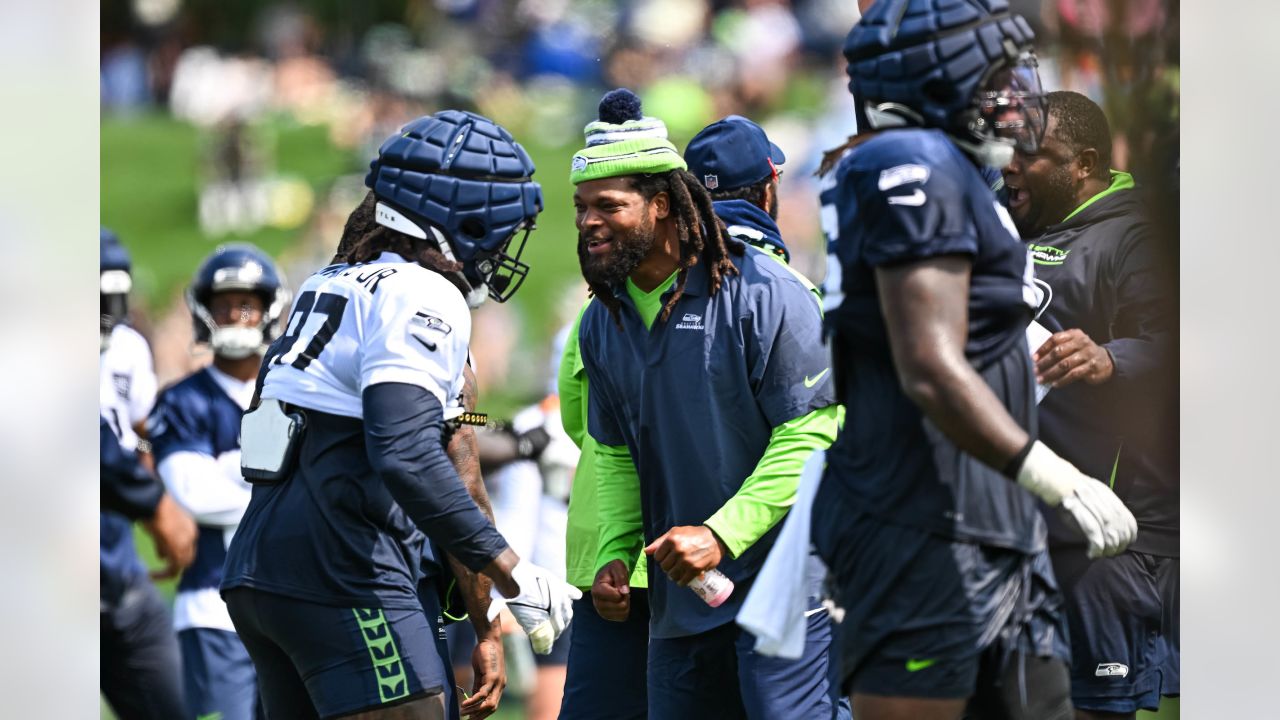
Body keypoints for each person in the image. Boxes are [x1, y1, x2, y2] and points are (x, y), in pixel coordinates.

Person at [813, 2, 1139, 718]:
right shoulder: (913, 162)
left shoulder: (953, 169)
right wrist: (1051, 473)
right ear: (943, 80)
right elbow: (928, 364)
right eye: (997, 74)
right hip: (922, 524)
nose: (1018, 93)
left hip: (991, 525)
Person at [220, 110, 580, 720]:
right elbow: (405, 451)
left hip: (263, 570)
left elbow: (457, 463)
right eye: (496, 223)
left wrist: (486, 619)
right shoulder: (422, 292)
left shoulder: (330, 281)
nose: (500, 244)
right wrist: (514, 571)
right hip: (346, 571)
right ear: (462, 214)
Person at [573, 88, 843, 719]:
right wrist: (615, 550)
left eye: (609, 205)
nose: (588, 222)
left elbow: (814, 432)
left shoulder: (768, 292)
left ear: (662, 207)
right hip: (685, 600)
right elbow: (613, 453)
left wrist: (721, 534)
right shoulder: (601, 320)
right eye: (582, 207)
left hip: (791, 588)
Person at [1002, 90, 1178, 719]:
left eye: (1032, 154)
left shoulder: (1136, 238)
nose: (1010, 166)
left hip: (1104, 535)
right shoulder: (1004, 228)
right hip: (1013, 526)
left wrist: (1112, 357)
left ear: (1084, 163)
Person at [146, 243, 290, 720]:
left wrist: (231, 471)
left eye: (246, 304)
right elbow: (193, 492)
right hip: (213, 604)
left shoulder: (294, 396)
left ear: (269, 309)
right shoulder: (183, 401)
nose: (234, 315)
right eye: (223, 305)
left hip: (294, 602)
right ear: (202, 311)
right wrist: (282, 490)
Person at [100, 227, 197, 719]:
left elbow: (136, 430)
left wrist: (152, 482)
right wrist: (156, 507)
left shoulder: (124, 346)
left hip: (115, 569)